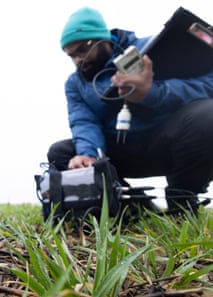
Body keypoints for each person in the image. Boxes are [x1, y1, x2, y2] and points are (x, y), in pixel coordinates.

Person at [48, 7, 213, 214]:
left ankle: (181, 202)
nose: (78, 60)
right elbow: (83, 121)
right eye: (71, 55)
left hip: (169, 144)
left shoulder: (152, 50)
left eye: (83, 49)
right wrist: (88, 155)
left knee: (208, 116)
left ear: (102, 39)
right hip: (120, 152)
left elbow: (209, 85)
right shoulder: (75, 84)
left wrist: (153, 93)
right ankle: (134, 206)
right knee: (61, 153)